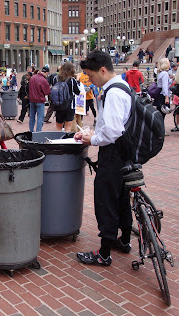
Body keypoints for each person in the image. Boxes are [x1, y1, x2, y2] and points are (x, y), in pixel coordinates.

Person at [74, 50, 132, 266]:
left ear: (103, 70)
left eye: (90, 75)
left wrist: (93, 140)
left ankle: (104, 253)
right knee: (122, 199)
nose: (89, 80)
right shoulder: (122, 86)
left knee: (106, 201)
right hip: (124, 153)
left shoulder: (113, 93)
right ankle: (124, 240)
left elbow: (113, 131)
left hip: (113, 154)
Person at [54, 62, 80, 132]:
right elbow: (78, 92)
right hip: (69, 106)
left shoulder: (56, 78)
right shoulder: (72, 80)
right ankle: (65, 141)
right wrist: (77, 80)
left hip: (58, 105)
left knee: (58, 128)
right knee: (68, 128)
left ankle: (58, 141)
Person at [28, 66, 51, 132]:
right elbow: (47, 92)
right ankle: (38, 132)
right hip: (40, 100)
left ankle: (31, 131)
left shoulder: (32, 78)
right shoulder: (43, 80)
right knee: (40, 118)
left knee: (32, 117)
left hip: (32, 100)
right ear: (46, 72)